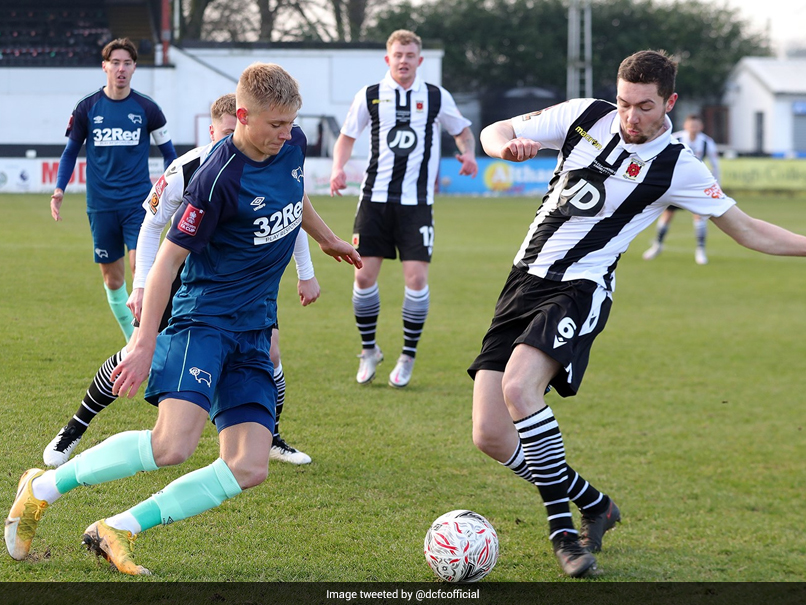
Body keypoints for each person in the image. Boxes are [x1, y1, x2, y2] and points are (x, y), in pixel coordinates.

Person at [6, 62, 361, 575]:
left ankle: (117, 528)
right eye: (275, 126)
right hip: (205, 321)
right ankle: (42, 487)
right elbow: (170, 258)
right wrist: (144, 343)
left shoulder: (292, 144)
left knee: (249, 465)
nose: (287, 136)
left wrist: (326, 238)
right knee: (171, 445)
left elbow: (295, 189)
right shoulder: (217, 177)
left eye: (291, 124)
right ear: (242, 115)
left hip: (255, 325)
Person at [469, 50, 806, 578]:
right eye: (625, 102)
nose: (630, 117)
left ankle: (564, 533)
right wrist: (506, 147)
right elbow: (495, 129)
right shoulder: (586, 116)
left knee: (519, 389)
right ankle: (595, 503)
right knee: (490, 435)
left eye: (645, 106)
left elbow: (750, 230)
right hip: (522, 283)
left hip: (580, 288)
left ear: (669, 102)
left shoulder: (679, 165)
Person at [42, 94, 317, 468]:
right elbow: (152, 224)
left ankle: (271, 436)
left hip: (246, 287)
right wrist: (141, 284)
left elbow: (291, 214)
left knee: (270, 353)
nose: (228, 140)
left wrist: (307, 272)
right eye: (223, 133)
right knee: (137, 353)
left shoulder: (271, 156)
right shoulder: (188, 170)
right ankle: (75, 427)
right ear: (218, 129)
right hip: (183, 285)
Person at [330, 29, 478, 388]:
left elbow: (462, 131)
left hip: (416, 205)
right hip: (374, 200)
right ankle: (369, 350)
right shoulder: (370, 96)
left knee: (416, 279)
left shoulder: (434, 96)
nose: (404, 61)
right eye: (398, 54)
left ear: (419, 60)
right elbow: (347, 136)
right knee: (363, 277)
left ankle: (408, 355)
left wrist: (468, 152)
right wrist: (338, 168)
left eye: (410, 55)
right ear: (388, 59)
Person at [50, 38, 177, 341]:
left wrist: (173, 190)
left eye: (127, 63)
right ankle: (131, 340)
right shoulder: (87, 108)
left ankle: (149, 342)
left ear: (134, 68)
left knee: (140, 270)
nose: (121, 69)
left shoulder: (148, 109)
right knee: (112, 278)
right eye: (116, 63)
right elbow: (70, 153)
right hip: (101, 205)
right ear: (105, 66)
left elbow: (170, 155)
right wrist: (59, 190)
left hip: (138, 203)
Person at [642, 113, 721, 265]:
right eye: (691, 125)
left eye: (696, 125)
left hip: (696, 185)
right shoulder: (675, 138)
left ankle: (700, 251)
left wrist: (716, 185)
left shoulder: (706, 142)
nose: (694, 128)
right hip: (675, 184)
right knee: (667, 215)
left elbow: (715, 165)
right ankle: (657, 245)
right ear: (685, 126)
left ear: (701, 127)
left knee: (699, 216)